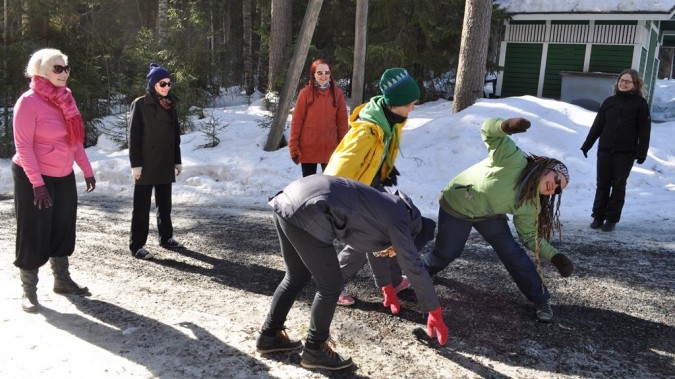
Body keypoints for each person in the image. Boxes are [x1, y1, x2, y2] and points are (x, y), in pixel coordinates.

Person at [256, 174, 448, 370]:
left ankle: (269, 336)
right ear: (411, 237)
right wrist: (433, 310)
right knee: (330, 285)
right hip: (311, 210)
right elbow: (413, 266)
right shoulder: (399, 222)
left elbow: (370, 250)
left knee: (296, 276)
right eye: (395, 250)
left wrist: (386, 286)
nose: (392, 254)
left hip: (290, 200)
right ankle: (315, 349)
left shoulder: (387, 208)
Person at [422, 117, 574, 323]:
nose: (553, 188)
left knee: (511, 252)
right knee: (447, 252)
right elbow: (487, 131)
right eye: (556, 180)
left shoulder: (530, 203)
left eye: (558, 190)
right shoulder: (514, 159)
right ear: (547, 167)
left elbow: (529, 237)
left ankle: (541, 299)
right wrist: (505, 126)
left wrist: (555, 257)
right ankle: (422, 274)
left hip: (488, 215)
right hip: (457, 205)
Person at [324, 67, 420, 306]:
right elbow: (337, 169)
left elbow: (380, 154)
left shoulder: (390, 120)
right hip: (353, 194)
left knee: (387, 234)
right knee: (364, 241)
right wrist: (331, 204)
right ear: (393, 103)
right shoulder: (366, 132)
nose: (412, 108)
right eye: (409, 104)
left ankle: (393, 280)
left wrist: (384, 171)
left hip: (371, 186)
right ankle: (331, 285)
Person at [11, 48, 96, 313]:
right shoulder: (28, 102)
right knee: (34, 231)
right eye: (57, 68)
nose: (64, 72)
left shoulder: (66, 99)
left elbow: (75, 141)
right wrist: (37, 183)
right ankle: (28, 290)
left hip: (63, 174)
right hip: (32, 176)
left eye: (66, 67)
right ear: (42, 71)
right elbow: (23, 146)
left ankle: (62, 280)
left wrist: (86, 169)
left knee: (63, 226)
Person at [580, 69, 651, 232]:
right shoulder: (609, 101)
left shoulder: (640, 104)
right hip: (605, 150)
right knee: (602, 184)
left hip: (625, 152)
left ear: (635, 85)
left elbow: (644, 130)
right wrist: (587, 145)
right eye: (621, 80)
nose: (623, 83)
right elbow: (598, 125)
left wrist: (642, 151)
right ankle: (598, 216)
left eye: (628, 81)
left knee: (618, 185)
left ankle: (611, 219)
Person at [128, 63, 183, 259]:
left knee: (165, 204)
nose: (167, 87)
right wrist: (135, 165)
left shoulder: (170, 104)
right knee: (141, 207)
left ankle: (166, 237)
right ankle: (137, 245)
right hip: (145, 163)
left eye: (169, 83)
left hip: (165, 161)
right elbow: (133, 137)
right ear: (153, 84)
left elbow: (174, 136)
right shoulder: (140, 104)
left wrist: (177, 160)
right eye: (163, 83)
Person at [288, 59, 348, 177]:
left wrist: (344, 146)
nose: (323, 76)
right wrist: (293, 146)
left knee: (331, 185)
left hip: (330, 149)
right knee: (310, 187)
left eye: (327, 72)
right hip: (309, 149)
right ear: (313, 74)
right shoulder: (305, 93)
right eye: (319, 73)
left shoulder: (337, 94)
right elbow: (297, 121)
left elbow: (342, 123)